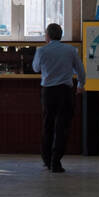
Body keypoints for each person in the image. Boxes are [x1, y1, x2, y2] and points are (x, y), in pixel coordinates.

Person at [32, 23, 85, 173]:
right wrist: (80, 84)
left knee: (48, 125)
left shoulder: (41, 51)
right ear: (61, 35)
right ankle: (56, 161)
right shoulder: (71, 50)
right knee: (62, 127)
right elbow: (80, 70)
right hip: (65, 92)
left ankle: (46, 159)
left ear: (47, 36)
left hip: (48, 91)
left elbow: (36, 68)